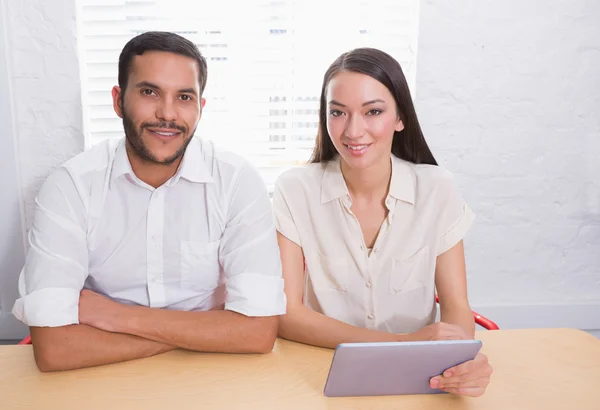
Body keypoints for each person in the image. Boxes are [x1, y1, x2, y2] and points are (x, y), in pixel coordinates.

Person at [12, 31, 286, 372]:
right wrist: (211, 330)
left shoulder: (237, 182)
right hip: (101, 377)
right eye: (149, 92)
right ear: (118, 100)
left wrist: (116, 316)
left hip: (211, 373)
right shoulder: (71, 186)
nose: (167, 114)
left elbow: (257, 333)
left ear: (200, 109)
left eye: (184, 97)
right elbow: (55, 349)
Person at [273, 48, 492, 396]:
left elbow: (456, 308)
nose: (353, 130)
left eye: (373, 111)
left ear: (400, 117)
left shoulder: (437, 188)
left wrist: (460, 358)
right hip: (315, 369)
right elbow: (287, 315)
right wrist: (401, 343)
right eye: (338, 113)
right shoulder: (294, 189)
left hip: (417, 377)